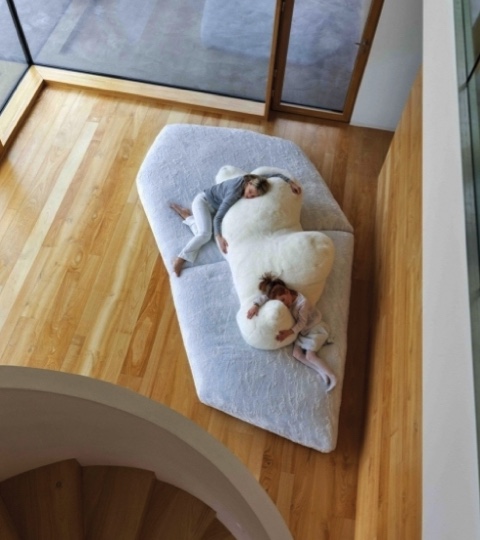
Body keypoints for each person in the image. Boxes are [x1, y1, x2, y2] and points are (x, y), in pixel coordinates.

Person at [170, 173, 302, 276]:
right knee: (205, 235)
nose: (249, 197)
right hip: (203, 202)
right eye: (250, 192)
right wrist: (219, 238)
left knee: (206, 234)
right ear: (249, 183)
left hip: (215, 206)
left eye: (253, 196)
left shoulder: (254, 180)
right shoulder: (234, 192)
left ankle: (188, 217)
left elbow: (272, 174)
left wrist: (290, 182)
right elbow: (218, 218)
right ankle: (180, 258)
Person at [247, 272, 336, 391]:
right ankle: (320, 371)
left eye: (284, 300)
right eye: (281, 302)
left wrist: (289, 332)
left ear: (287, 292)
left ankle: (332, 375)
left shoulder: (302, 303)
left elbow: (301, 323)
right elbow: (266, 297)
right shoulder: (280, 295)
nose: (285, 304)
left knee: (310, 356)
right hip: (303, 332)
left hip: (314, 328)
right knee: (297, 354)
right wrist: (256, 305)